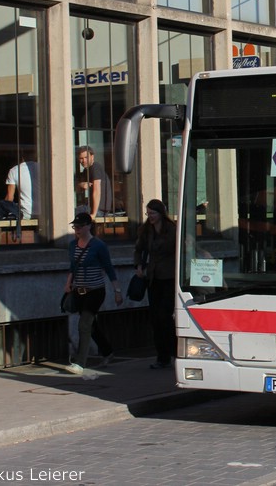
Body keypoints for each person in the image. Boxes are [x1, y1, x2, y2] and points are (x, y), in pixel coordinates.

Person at [64, 212, 122, 376]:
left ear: (89, 226)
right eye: (75, 226)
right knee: (91, 325)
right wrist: (68, 283)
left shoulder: (98, 246)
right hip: (78, 291)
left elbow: (109, 269)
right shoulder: (72, 245)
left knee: (84, 324)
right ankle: (107, 351)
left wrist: (117, 291)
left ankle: (80, 363)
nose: (77, 229)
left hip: (95, 291)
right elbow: (72, 266)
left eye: (80, 226)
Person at [134, 199, 178, 369]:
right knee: (155, 318)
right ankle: (162, 356)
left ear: (161, 213)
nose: (150, 216)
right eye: (148, 213)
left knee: (165, 316)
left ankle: (173, 352)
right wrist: (139, 265)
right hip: (153, 278)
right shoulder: (146, 230)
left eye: (153, 213)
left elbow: (181, 248)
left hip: (169, 277)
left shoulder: (171, 229)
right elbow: (138, 249)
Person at [75, 145, 115, 217]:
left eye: (86, 157)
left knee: (71, 212)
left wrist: (93, 214)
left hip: (99, 211)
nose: (84, 161)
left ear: (92, 157)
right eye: (81, 158)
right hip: (93, 209)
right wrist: (80, 185)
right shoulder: (86, 171)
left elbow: (97, 191)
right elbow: (78, 189)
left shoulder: (95, 167)